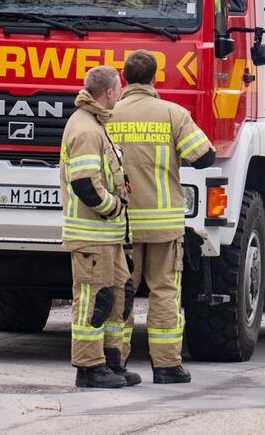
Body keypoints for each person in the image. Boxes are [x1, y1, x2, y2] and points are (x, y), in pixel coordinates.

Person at [107, 50, 214, 384]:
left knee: (121, 293)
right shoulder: (172, 114)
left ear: (123, 79)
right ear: (155, 78)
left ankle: (115, 364)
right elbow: (205, 157)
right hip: (163, 226)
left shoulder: (107, 114)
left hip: (120, 223)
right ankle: (166, 366)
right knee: (165, 292)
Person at [60, 65, 140, 389]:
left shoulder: (96, 123)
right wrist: (115, 208)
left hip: (108, 237)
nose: (120, 95)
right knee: (93, 303)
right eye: (119, 90)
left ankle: (111, 362)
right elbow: (85, 186)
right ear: (109, 92)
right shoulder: (85, 129)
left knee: (118, 296)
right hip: (92, 237)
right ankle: (88, 367)